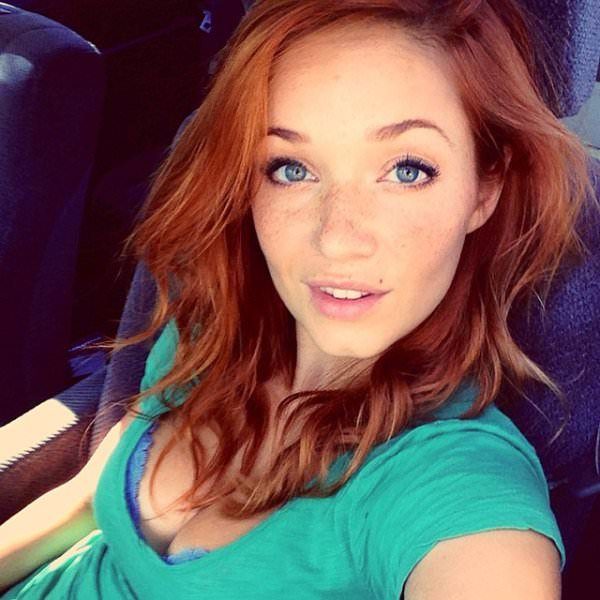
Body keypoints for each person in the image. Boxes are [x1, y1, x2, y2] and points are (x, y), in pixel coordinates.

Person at [0, 0, 596, 597]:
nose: (335, 238)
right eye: (290, 168)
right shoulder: (210, 327)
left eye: (408, 170)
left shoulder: (455, 484)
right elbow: (86, 499)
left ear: (484, 190)